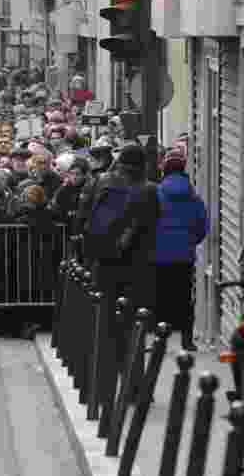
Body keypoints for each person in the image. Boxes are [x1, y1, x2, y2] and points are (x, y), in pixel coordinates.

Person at [77, 143, 160, 310]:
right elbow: (155, 223)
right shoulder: (151, 190)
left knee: (103, 304)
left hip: (103, 254)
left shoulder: (100, 181)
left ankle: (105, 334)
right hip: (137, 259)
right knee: (132, 310)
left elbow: (83, 216)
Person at [153, 149, 208, 352]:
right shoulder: (193, 197)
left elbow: (149, 221)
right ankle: (187, 339)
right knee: (185, 297)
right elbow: (202, 225)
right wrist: (189, 242)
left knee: (161, 297)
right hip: (184, 254)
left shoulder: (157, 194)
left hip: (159, 254)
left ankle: (161, 340)